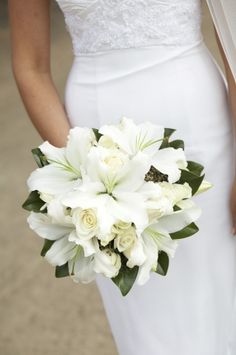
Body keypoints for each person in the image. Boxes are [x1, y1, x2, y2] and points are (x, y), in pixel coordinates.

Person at [8, 1, 236, 354]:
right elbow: (30, 67)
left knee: (221, 300)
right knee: (148, 327)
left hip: (200, 123)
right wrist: (85, 173)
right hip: (96, 136)